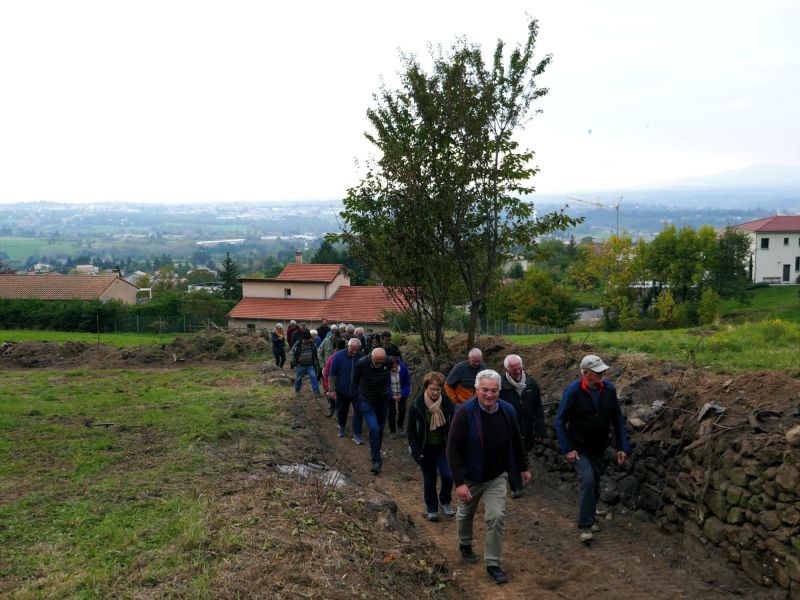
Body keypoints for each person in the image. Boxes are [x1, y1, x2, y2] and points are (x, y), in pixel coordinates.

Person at [446, 369, 530, 585]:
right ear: (476, 390)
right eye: (485, 390)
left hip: (496, 475)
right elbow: (452, 448)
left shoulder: (508, 410)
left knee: (496, 516)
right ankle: (465, 543)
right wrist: (459, 484)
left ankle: (493, 563)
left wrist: (523, 467)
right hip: (471, 477)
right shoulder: (464, 412)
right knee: (465, 514)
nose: (489, 395)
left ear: (499, 390)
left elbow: (516, 441)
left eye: (493, 390)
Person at [555, 354, 630, 542]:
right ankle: (586, 525)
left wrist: (623, 447)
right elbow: (560, 420)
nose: (602, 374)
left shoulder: (609, 390)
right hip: (578, 447)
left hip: (599, 446)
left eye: (603, 370)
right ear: (585, 373)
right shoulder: (573, 392)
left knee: (594, 482)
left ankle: (591, 517)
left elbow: (618, 420)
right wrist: (567, 449)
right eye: (597, 372)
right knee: (587, 480)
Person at [407, 371, 455, 521]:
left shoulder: (447, 404)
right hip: (424, 447)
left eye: (438, 389)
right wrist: (416, 451)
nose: (435, 392)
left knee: (448, 476)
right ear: (426, 388)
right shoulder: (417, 405)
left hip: (442, 446)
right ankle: (432, 508)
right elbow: (411, 431)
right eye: (432, 389)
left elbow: (453, 426)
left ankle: (445, 501)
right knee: (430, 478)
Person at [498, 354, 545, 498]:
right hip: (509, 428)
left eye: (519, 368)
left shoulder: (531, 384)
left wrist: (539, 429)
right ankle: (515, 486)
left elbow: (538, 408)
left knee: (523, 452)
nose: (517, 371)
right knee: (512, 455)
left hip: (527, 427)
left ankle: (520, 475)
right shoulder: (501, 385)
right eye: (513, 369)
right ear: (507, 369)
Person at [353, 347, 392, 473]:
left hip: (383, 400)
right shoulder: (362, 363)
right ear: (371, 357)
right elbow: (355, 380)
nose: (379, 365)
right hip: (367, 400)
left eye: (382, 362)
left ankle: (375, 450)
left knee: (379, 430)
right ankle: (376, 461)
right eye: (377, 362)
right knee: (374, 428)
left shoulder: (388, 361)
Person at [328, 338, 365, 441]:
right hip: (341, 390)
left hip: (357, 391)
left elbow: (365, 374)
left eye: (356, 350)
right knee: (342, 410)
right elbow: (332, 374)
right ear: (347, 346)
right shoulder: (338, 356)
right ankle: (342, 427)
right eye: (352, 349)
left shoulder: (362, 357)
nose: (354, 352)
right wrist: (331, 390)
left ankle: (357, 433)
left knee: (359, 411)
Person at [290, 330, 321, 398]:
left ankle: (316, 392)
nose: (307, 341)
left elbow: (315, 354)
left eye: (308, 339)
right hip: (300, 365)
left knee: (313, 377)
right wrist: (294, 363)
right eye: (306, 339)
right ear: (303, 338)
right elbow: (292, 353)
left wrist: (315, 363)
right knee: (298, 379)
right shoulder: (297, 344)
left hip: (310, 365)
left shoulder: (312, 344)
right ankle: (297, 391)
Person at [323, 338, 347, 418]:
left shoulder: (348, 358)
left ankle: (338, 417)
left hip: (342, 385)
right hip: (333, 383)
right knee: (332, 399)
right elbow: (326, 373)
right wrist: (327, 387)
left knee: (340, 404)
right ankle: (332, 409)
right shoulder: (331, 358)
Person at [388, 356, 411, 436]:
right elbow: (384, 386)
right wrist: (391, 395)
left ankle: (400, 425)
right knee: (392, 412)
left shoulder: (403, 369)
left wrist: (402, 394)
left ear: (398, 364)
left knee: (402, 410)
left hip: (401, 393)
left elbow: (407, 383)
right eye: (392, 367)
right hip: (390, 394)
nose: (394, 369)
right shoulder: (385, 371)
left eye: (395, 366)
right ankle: (392, 430)